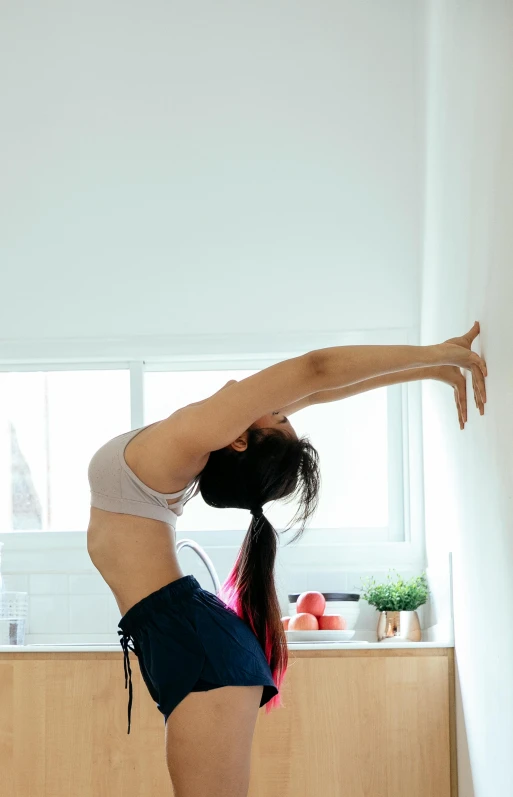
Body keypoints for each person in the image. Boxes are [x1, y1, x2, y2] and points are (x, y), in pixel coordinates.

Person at [86, 322, 486, 797]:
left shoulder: (192, 437)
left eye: (274, 414)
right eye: (280, 412)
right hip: (178, 638)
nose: (276, 404)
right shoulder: (197, 440)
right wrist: (434, 368)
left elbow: (315, 372)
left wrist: (435, 354)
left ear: (239, 440)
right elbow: (317, 391)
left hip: (191, 644)